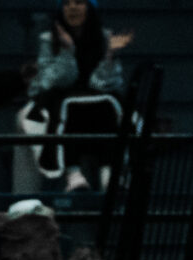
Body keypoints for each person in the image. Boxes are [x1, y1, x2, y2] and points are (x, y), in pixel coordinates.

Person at [24, 0, 130, 191]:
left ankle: (110, 173)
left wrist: (109, 56)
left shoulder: (105, 38)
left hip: (96, 103)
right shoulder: (49, 39)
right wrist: (67, 51)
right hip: (61, 100)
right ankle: (73, 173)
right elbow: (52, 82)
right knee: (66, 106)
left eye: (79, 3)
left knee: (110, 104)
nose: (72, 8)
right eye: (67, 4)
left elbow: (100, 84)